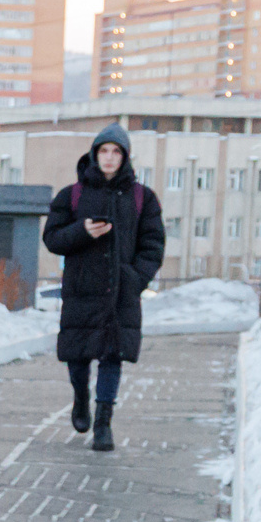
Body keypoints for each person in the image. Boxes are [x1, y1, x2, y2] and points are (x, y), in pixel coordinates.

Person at [43, 123, 168, 453]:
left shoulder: (143, 198)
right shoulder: (72, 195)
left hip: (120, 292)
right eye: (104, 151)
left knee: (113, 356)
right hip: (81, 289)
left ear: (125, 157)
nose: (109, 157)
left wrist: (135, 278)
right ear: (94, 154)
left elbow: (153, 245)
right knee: (79, 355)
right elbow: (52, 239)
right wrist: (82, 231)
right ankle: (81, 399)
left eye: (116, 151)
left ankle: (103, 423)